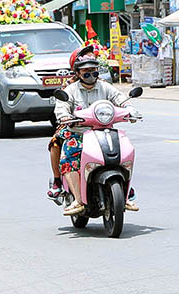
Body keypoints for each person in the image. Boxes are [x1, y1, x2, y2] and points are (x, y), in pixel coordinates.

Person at [48, 46, 138, 214]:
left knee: (124, 152)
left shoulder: (104, 86)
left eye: (93, 71)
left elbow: (120, 98)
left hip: (103, 131)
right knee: (69, 157)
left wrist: (129, 109)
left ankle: (126, 194)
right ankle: (77, 199)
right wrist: (64, 116)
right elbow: (61, 107)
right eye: (86, 71)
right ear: (78, 72)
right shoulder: (70, 89)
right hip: (79, 133)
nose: (90, 75)